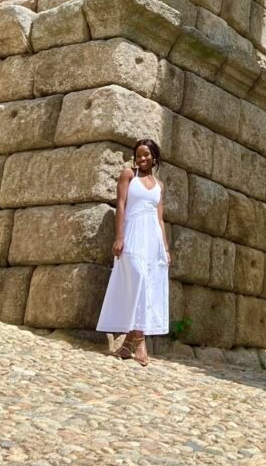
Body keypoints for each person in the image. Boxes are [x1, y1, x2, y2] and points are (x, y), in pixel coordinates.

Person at [96, 138, 171, 366]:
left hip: (153, 240)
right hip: (133, 234)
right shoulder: (128, 175)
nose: (142, 158)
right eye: (138, 155)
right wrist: (119, 237)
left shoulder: (159, 186)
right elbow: (120, 204)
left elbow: (159, 218)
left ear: (154, 157)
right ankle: (140, 341)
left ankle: (127, 343)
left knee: (146, 286)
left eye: (146, 155)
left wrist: (165, 248)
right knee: (137, 277)